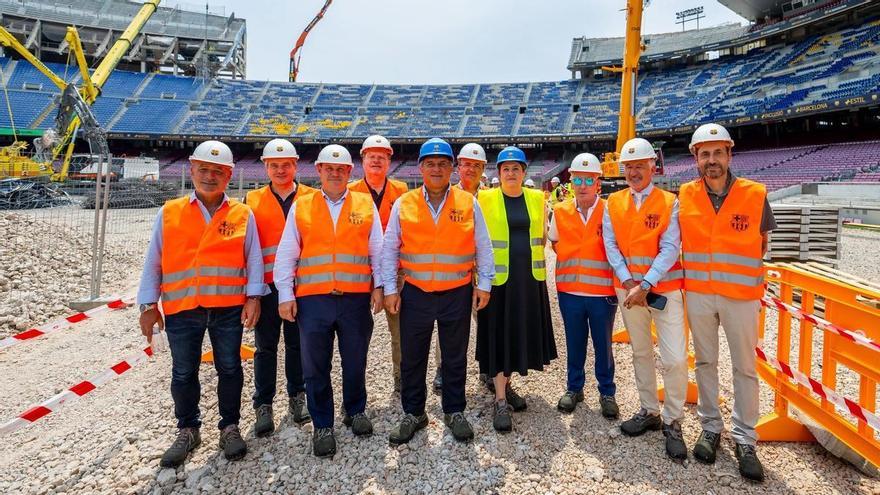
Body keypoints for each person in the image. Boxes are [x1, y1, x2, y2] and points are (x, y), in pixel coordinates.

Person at [137, 140, 265, 467]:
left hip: (227, 308)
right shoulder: (170, 212)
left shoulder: (242, 213)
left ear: (229, 175)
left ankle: (230, 426)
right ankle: (188, 428)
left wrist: (253, 298)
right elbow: (154, 261)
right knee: (183, 373)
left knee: (230, 368)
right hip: (183, 309)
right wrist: (148, 305)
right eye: (204, 170)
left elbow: (253, 259)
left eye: (218, 171)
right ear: (192, 169)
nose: (210, 176)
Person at [274, 144, 384, 458]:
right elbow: (287, 254)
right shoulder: (302, 205)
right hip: (313, 301)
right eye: (329, 168)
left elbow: (377, 249)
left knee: (355, 360)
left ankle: (355, 410)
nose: (335, 173)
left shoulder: (364, 204)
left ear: (350, 172)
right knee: (315, 366)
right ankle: (322, 423)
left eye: (341, 169)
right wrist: (285, 294)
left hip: (355, 299)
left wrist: (379, 287)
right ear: (319, 171)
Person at [382, 138, 494, 445]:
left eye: (443, 164)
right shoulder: (404, 204)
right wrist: (390, 288)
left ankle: (454, 411)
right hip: (416, 292)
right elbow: (390, 248)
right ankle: (413, 412)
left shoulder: (468, 203)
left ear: (451, 168)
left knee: (455, 356)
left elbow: (483, 246)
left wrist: (484, 284)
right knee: (412, 357)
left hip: (456, 292)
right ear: (420, 168)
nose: (436, 169)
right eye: (430, 163)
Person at [680, 123, 775, 482]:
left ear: (730, 154)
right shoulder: (685, 196)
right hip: (701, 294)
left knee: (744, 367)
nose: (712, 160)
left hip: (741, 297)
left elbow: (762, 242)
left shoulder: (754, 194)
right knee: (705, 362)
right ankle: (710, 428)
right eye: (705, 154)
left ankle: (744, 439)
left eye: (718, 152)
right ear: (696, 159)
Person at [603, 137, 688, 461]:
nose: (635, 171)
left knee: (675, 358)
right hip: (629, 292)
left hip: (663, 290)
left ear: (653, 166)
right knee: (640, 352)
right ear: (623, 169)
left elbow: (670, 247)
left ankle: (674, 419)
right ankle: (650, 410)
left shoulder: (669, 202)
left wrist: (646, 283)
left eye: (641, 165)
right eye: (630, 166)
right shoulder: (614, 202)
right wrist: (628, 281)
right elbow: (611, 244)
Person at [476, 146, 557, 432]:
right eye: (505, 169)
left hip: (528, 280)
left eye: (516, 169)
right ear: (498, 173)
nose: (511, 173)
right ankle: (499, 399)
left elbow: (545, 236)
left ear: (524, 173)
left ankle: (507, 384)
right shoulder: (484, 199)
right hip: (498, 281)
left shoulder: (537, 198)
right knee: (499, 335)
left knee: (516, 333)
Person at [248, 138, 315, 437]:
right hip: (266, 287)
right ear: (265, 166)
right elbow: (248, 250)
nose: (280, 170)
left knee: (297, 344)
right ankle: (263, 404)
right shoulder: (252, 200)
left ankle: (297, 395)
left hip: (301, 285)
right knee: (265, 347)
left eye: (285, 164)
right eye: (274, 165)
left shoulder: (312, 198)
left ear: (295, 164)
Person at [549, 153, 619, 419]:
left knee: (604, 345)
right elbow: (555, 242)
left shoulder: (610, 211)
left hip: (603, 293)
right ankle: (574, 387)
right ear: (571, 181)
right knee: (574, 342)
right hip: (570, 292)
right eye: (577, 179)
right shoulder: (561, 211)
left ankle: (607, 391)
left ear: (597, 182)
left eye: (588, 179)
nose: (582, 185)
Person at [347, 135, 409, 393]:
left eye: (381, 156)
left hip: (396, 271)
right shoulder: (350, 191)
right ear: (362, 159)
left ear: (389, 160)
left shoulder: (402, 191)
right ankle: (355, 387)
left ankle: (402, 378)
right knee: (357, 334)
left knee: (401, 331)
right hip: (360, 272)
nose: (376, 160)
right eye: (371, 155)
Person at [455, 142, 495, 393]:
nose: (471, 169)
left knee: (487, 320)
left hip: (482, 272)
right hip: (457, 270)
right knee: (452, 323)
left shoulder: (492, 199)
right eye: (467, 164)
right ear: (458, 166)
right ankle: (442, 370)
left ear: (483, 169)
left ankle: (487, 367)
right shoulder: (448, 196)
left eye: (476, 165)